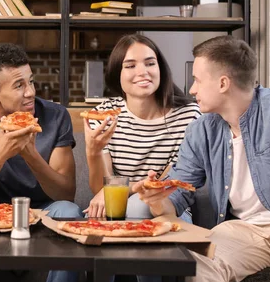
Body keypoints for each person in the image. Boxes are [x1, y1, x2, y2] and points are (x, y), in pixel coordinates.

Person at [133, 35, 270, 282]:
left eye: (197, 79)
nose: (192, 89)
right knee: (197, 259)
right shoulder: (201, 131)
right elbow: (175, 201)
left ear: (223, 83)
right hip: (244, 231)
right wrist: (156, 199)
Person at [0, 43, 83, 282]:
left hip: (43, 210)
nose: (30, 92)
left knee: (69, 210)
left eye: (31, 81)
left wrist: (30, 155)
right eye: (19, 85)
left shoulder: (56, 115)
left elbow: (66, 193)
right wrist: (0, 154)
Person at [84, 34, 200, 220]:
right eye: (130, 66)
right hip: (117, 205)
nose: (143, 72)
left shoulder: (188, 115)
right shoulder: (104, 114)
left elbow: (163, 185)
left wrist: (119, 187)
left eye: (150, 63)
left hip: (167, 208)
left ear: (160, 69)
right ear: (117, 74)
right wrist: (93, 151)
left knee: (138, 207)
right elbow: (100, 188)